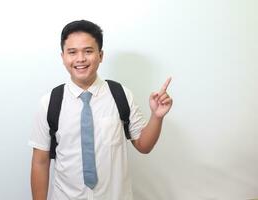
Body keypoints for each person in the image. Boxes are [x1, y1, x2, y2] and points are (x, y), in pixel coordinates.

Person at [29, 19, 173, 200]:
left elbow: (144, 146)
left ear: (100, 55)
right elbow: (40, 163)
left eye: (88, 51)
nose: (80, 59)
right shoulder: (50, 102)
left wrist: (157, 117)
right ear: (63, 57)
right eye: (72, 52)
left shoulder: (120, 95)